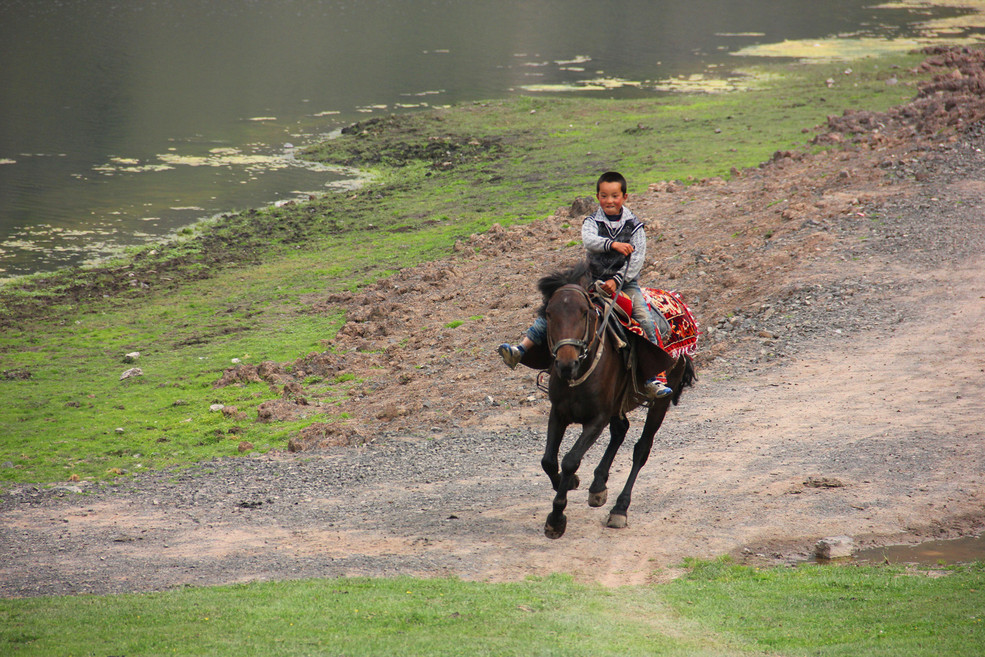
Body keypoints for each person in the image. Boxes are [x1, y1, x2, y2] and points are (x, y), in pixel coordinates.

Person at [498, 171, 672, 399]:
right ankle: (520, 349)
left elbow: (637, 260)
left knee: (645, 319)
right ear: (598, 197)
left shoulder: (636, 226)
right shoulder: (591, 221)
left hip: (625, 283)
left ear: (625, 197)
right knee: (560, 305)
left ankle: (654, 378)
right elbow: (589, 241)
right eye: (604, 196)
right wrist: (614, 245)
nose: (609, 201)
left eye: (615, 196)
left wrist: (616, 280)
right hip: (590, 278)